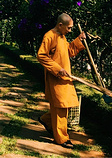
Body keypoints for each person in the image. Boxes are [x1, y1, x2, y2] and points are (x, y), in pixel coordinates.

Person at [36, 13, 86, 149]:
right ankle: (61, 138)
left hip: (65, 77)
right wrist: (57, 69)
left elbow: (69, 51)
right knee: (61, 107)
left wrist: (79, 40)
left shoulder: (62, 37)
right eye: (69, 28)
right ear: (60, 25)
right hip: (56, 78)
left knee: (66, 104)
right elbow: (41, 56)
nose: (70, 30)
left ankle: (46, 119)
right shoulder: (49, 36)